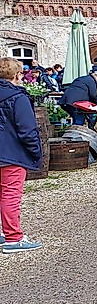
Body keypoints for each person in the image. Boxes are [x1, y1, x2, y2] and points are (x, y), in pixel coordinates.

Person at [0, 57, 43, 253]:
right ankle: (13, 238)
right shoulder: (18, 97)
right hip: (11, 153)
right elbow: (27, 130)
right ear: (17, 75)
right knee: (10, 195)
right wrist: (36, 152)